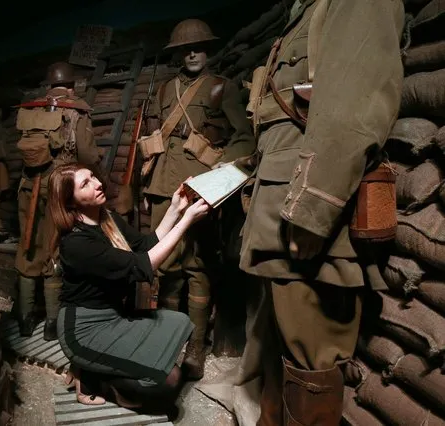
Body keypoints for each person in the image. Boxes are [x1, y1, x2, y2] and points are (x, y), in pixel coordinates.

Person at [238, 0, 404, 424]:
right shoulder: (305, 11)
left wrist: (314, 208)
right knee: (280, 349)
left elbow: (354, 108)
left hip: (305, 208)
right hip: (279, 200)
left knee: (311, 355)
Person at [142, 18, 255, 379]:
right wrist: (144, 190)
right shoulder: (162, 91)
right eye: (185, 49)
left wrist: (217, 171)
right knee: (167, 267)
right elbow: (152, 142)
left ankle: (195, 349)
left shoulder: (223, 89)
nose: (192, 53)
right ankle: (171, 343)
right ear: (177, 53)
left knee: (200, 267)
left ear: (208, 50)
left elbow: (244, 138)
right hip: (162, 188)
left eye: (199, 47)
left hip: (201, 189)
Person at [47, 162, 210, 408]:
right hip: (84, 331)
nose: (98, 183)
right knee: (170, 382)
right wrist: (186, 221)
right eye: (85, 184)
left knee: (179, 324)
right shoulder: (76, 244)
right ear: (71, 202)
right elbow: (144, 265)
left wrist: (175, 209)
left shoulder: (107, 218)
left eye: (93, 176)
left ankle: (94, 369)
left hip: (114, 316)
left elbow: (145, 245)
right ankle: (94, 379)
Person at [14, 62, 101, 341]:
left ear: (48, 85)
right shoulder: (76, 110)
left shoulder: (29, 109)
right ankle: (52, 325)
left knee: (27, 247)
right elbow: (87, 156)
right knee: (53, 249)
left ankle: (25, 321)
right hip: (57, 190)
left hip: (28, 187)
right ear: (72, 86)